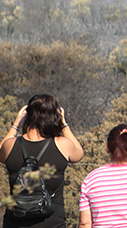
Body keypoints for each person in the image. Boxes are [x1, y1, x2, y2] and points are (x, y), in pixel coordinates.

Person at [1, 94, 85, 228]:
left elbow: (1, 153)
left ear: (27, 116)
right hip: (52, 221)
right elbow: (79, 153)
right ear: (54, 117)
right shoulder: (62, 144)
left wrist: (16, 124)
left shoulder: (10, 145)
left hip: (16, 220)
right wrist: (64, 124)